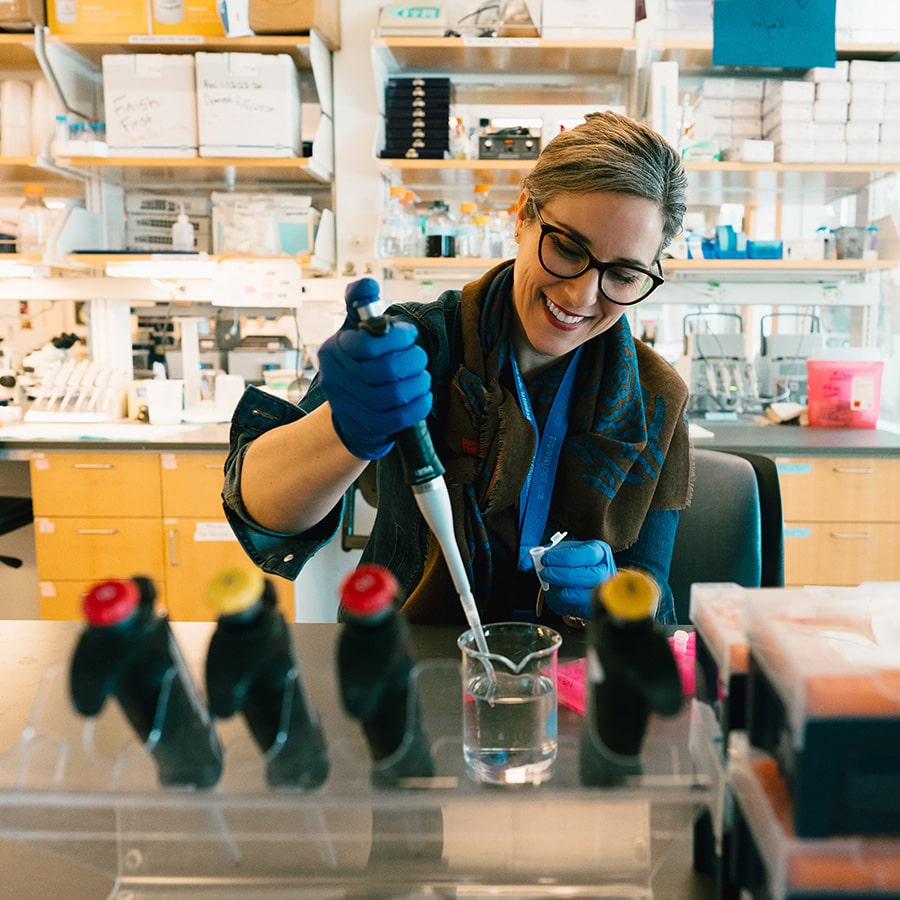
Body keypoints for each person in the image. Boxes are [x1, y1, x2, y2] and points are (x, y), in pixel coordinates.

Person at [223, 110, 693, 627]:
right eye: (565, 247)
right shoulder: (418, 344)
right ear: (522, 215)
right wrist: (344, 430)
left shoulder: (654, 396)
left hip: (570, 671)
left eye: (623, 274)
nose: (580, 294)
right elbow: (265, 512)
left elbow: (651, 580)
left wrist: (615, 591)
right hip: (409, 652)